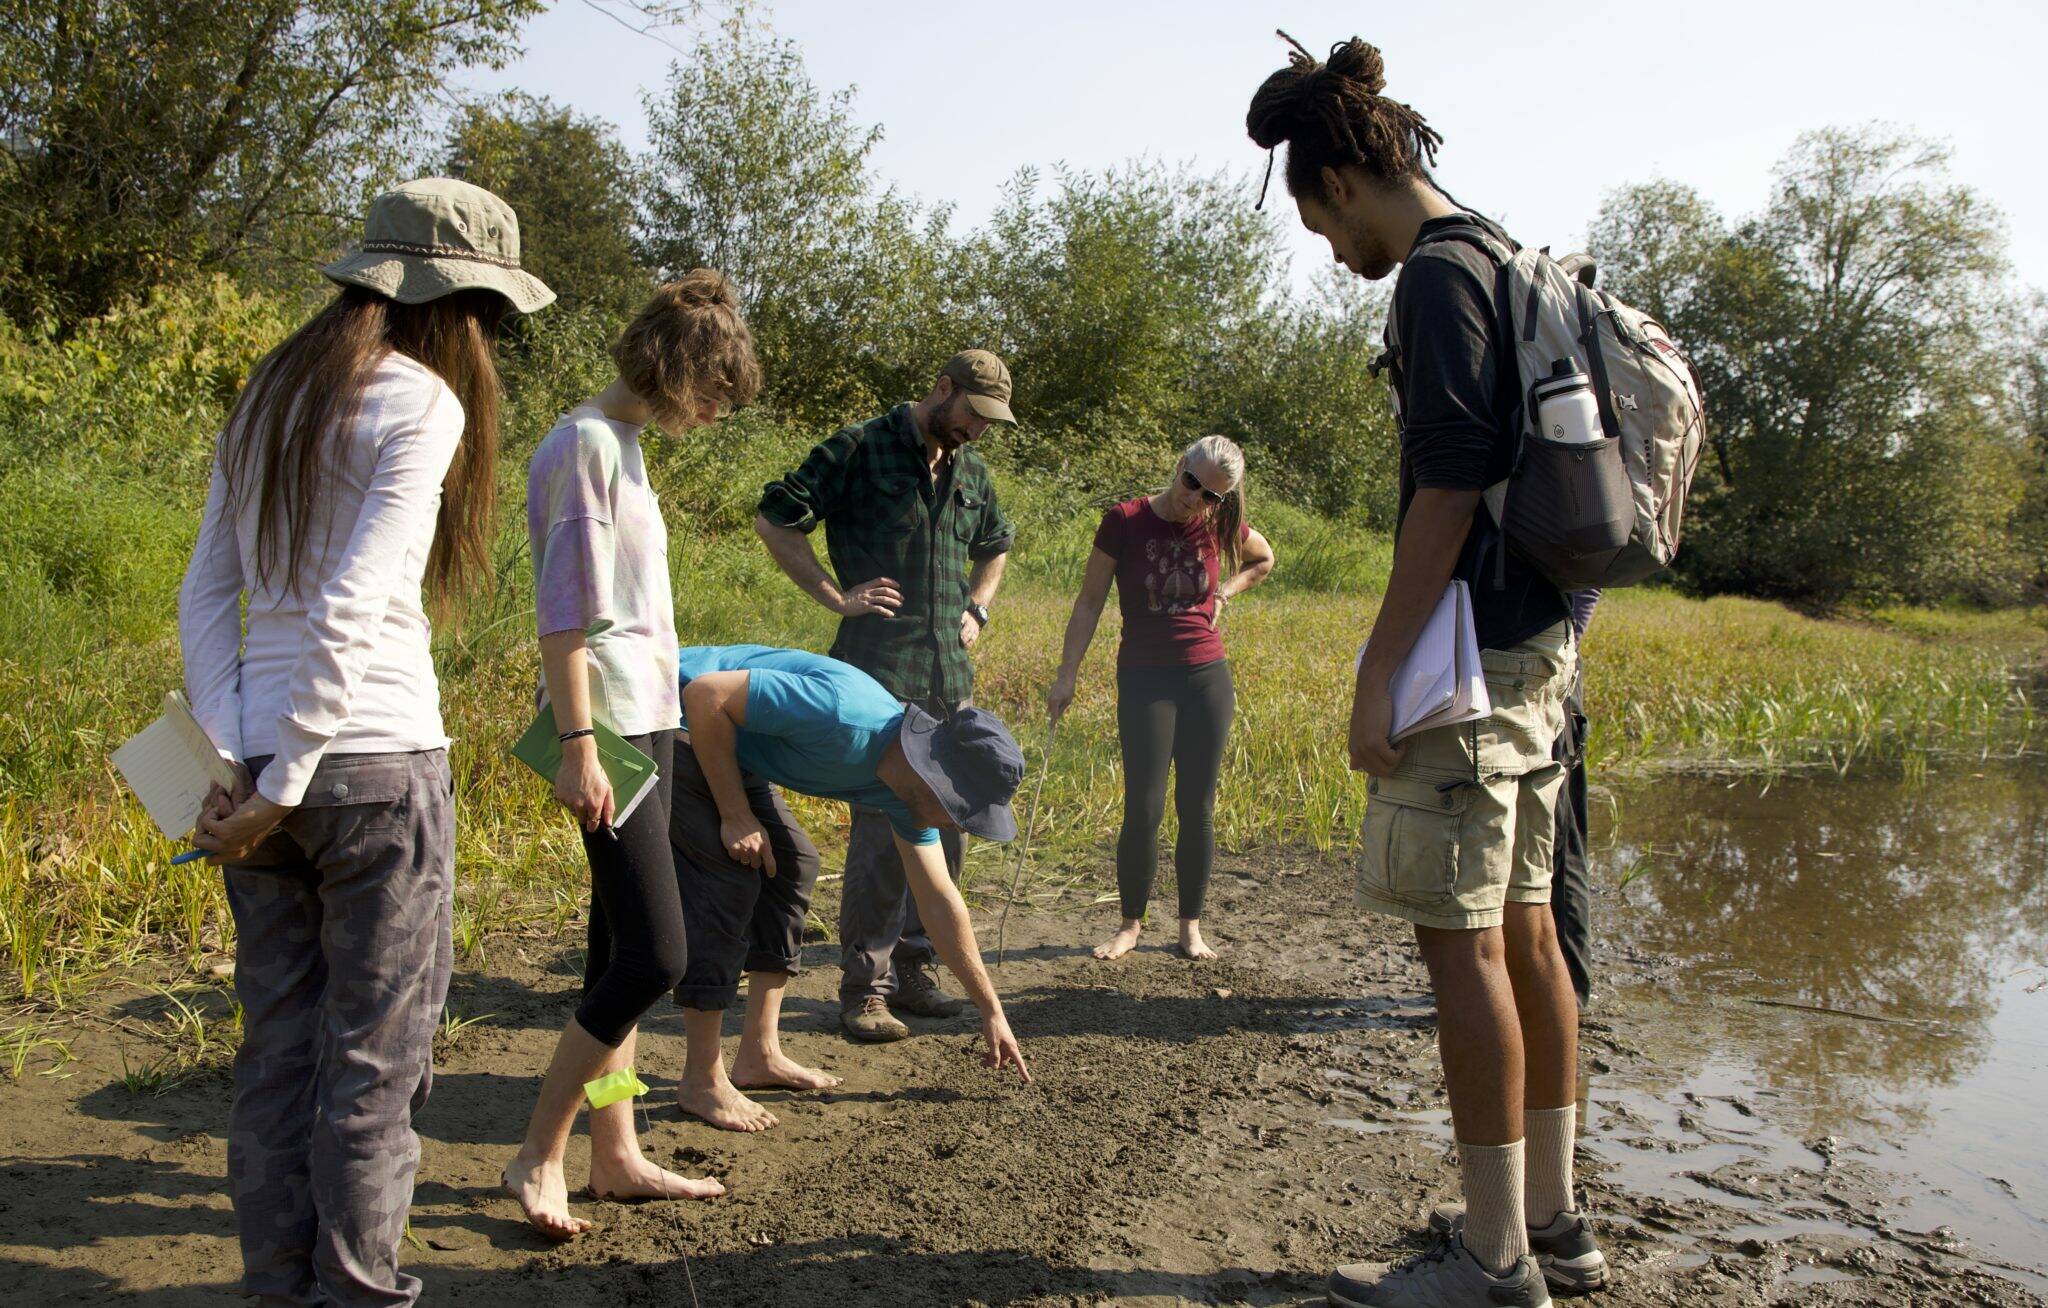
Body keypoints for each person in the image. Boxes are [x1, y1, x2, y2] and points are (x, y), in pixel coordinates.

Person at [1247, 35, 1606, 1307]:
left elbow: (1448, 480)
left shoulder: (1435, 280)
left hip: (1464, 662)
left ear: (1339, 182)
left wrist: (1375, 668)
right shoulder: (1512, 255)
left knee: (1460, 949)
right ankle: (1552, 1222)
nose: (1331, 255)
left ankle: (1493, 1260)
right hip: (1541, 649)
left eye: (1316, 225)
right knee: (1524, 935)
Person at [181, 177, 552, 1306]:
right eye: (486, 317)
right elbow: (360, 594)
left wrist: (232, 767)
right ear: (458, 305)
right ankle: (357, 1295)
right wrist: (285, 779)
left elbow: (208, 592)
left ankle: (278, 1290)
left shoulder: (269, 394)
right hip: (373, 765)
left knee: (278, 1053)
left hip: (255, 768)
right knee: (374, 1069)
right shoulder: (420, 399)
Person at [503, 272, 762, 1239]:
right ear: (677, 371)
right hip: (601, 724)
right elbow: (564, 614)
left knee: (614, 947)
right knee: (658, 951)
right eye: (711, 396)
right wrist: (577, 745)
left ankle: (615, 1154)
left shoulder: (627, 447)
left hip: (643, 715)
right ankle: (539, 1152)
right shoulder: (582, 448)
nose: (711, 416)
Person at [754, 351, 1017, 1042]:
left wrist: (979, 608)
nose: (979, 431)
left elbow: (997, 543)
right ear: (942, 388)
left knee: (947, 827)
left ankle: (916, 970)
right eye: (973, 415)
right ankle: (864, 989)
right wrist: (833, 596)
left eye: (991, 423)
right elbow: (776, 517)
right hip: (879, 678)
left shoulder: (971, 470)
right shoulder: (860, 449)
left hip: (949, 684)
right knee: (882, 832)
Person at [665, 642, 1032, 1131]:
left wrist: (991, 1011)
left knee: (793, 864)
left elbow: (940, 900)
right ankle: (701, 1080)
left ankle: (758, 1053)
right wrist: (734, 815)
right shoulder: (845, 717)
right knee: (729, 875)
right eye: (964, 812)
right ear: (936, 781)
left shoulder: (906, 793)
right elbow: (708, 694)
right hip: (666, 717)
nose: (963, 828)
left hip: (728, 737)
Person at [1046, 436, 1276, 962]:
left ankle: (1190, 928)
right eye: (1193, 483)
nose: (1198, 499)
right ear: (1180, 468)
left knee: (1197, 807)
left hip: (1207, 678)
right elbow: (1087, 604)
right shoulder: (1124, 521)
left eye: (1213, 496)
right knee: (1144, 806)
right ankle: (1130, 924)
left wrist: (1225, 592)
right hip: (1145, 678)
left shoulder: (1219, 524)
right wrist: (1067, 676)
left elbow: (1263, 559)